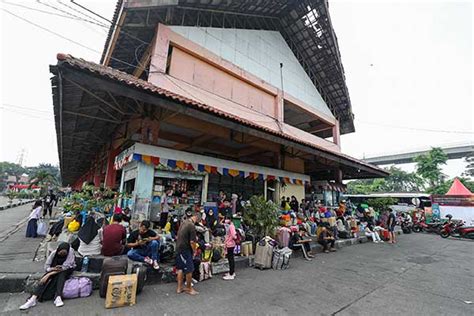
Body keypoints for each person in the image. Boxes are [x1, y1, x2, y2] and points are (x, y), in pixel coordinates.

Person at [19, 242, 76, 310]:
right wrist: (51, 270)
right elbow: (46, 267)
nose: (62, 255)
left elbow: (66, 266)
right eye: (60, 253)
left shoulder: (70, 252)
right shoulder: (53, 253)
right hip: (54, 269)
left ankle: (58, 297)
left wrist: (49, 274)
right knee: (44, 279)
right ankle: (32, 299)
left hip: (67, 269)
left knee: (61, 275)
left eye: (64, 254)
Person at [175, 208, 199, 295]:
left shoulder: (184, 222)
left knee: (180, 268)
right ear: (195, 217)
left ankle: (179, 288)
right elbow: (192, 242)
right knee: (189, 269)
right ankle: (189, 288)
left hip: (178, 247)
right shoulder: (191, 225)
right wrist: (194, 250)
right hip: (185, 249)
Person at [223, 216, 237, 280]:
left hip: (230, 244)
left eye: (227, 219)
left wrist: (230, 238)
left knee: (230, 259)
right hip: (230, 244)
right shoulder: (230, 226)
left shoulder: (231, 226)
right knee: (231, 259)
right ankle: (232, 272)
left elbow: (234, 236)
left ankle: (231, 274)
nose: (226, 220)